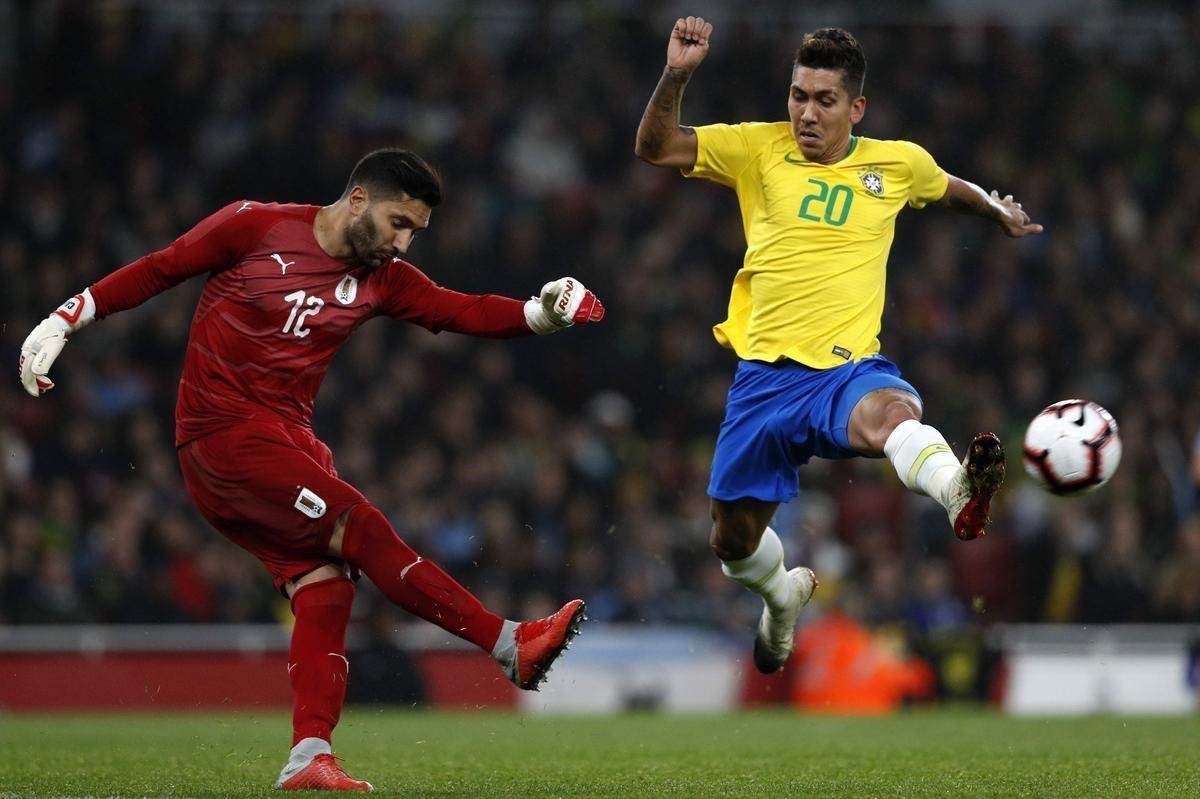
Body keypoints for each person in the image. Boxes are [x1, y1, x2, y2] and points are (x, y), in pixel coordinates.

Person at [18, 148, 604, 792]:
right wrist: (68, 316)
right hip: (224, 440)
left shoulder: (384, 277)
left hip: (287, 443)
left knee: (327, 585)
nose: (403, 244)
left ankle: (309, 756)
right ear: (357, 199)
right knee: (366, 529)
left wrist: (541, 313)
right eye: (397, 223)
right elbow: (162, 269)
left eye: (415, 233)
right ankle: (508, 644)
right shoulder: (255, 225)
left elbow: (460, 311)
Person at [635, 19, 1042, 675]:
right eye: (798, 95)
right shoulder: (754, 148)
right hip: (763, 382)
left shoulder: (896, 162)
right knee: (732, 543)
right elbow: (655, 147)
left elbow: (947, 187)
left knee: (891, 415)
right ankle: (781, 598)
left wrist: (995, 210)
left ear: (857, 108)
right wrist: (677, 76)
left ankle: (958, 489)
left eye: (824, 100)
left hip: (845, 372)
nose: (806, 113)